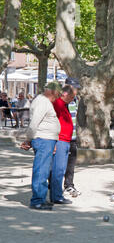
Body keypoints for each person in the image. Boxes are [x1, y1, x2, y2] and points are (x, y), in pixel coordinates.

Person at [20, 82, 62, 210]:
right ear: (52, 92)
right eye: (57, 94)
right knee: (41, 170)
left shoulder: (43, 101)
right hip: (43, 139)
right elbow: (34, 124)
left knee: (43, 170)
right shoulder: (43, 102)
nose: (58, 97)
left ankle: (41, 198)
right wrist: (28, 139)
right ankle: (37, 200)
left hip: (47, 140)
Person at [49, 84, 77, 204]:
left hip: (66, 140)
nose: (72, 100)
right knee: (58, 170)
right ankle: (56, 196)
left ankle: (57, 194)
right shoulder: (58, 104)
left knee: (60, 169)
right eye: (71, 97)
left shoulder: (63, 104)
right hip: (60, 140)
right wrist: (54, 142)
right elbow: (52, 122)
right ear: (65, 94)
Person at [63, 77, 82, 198]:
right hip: (63, 138)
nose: (76, 90)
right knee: (59, 165)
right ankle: (53, 186)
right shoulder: (61, 101)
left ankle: (69, 184)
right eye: (74, 87)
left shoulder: (75, 100)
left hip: (73, 138)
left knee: (71, 164)